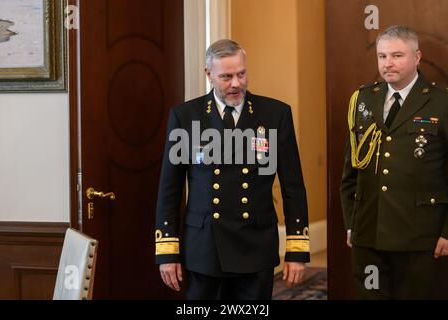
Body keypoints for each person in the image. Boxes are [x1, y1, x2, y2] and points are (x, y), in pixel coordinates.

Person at [155, 39, 310, 300]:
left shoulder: (275, 114)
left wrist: (296, 250)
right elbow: (169, 188)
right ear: (209, 74)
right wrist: (167, 251)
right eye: (226, 77)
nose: (236, 83)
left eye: (241, 74)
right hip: (204, 247)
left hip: (255, 245)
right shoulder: (186, 116)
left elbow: (293, 187)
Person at [341, 25, 448, 299]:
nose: (387, 63)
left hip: (420, 235)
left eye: (397, 55)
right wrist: (352, 223)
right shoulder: (363, 99)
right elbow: (351, 171)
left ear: (417, 57)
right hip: (369, 231)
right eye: (382, 56)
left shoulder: (441, 102)